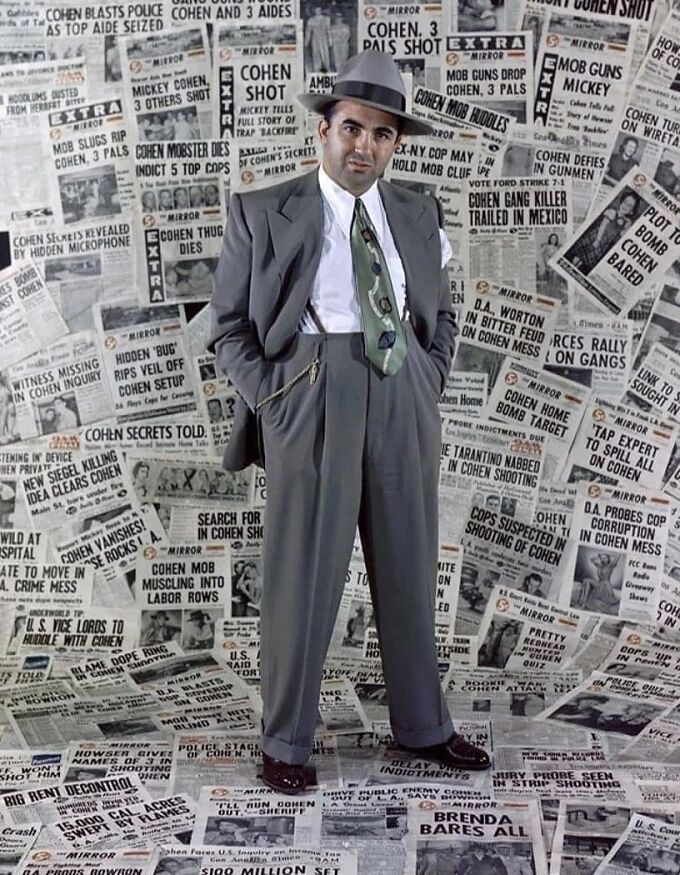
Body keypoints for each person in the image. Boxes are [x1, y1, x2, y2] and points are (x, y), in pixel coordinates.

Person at [208, 51, 490, 794]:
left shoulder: (417, 212)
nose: (365, 145)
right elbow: (227, 325)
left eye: (383, 134)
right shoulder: (262, 210)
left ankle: (424, 727)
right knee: (302, 573)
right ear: (324, 130)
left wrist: (427, 378)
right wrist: (276, 393)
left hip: (401, 392)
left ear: (395, 143)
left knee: (408, 566)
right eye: (353, 128)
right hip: (312, 391)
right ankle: (285, 740)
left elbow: (444, 310)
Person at [568, 191, 639, 276]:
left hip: (603, 245)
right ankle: (570, 267)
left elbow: (621, 236)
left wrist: (628, 226)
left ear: (631, 211)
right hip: (596, 238)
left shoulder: (626, 222)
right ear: (621, 201)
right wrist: (597, 240)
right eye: (625, 202)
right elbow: (603, 225)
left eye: (629, 206)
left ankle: (575, 272)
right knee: (581, 254)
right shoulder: (612, 212)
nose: (625, 206)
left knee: (587, 261)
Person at [305, 5, 332, 71]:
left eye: (319, 10)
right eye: (316, 10)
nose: (318, 11)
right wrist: (306, 42)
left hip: (324, 38)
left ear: (321, 10)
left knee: (325, 53)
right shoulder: (311, 20)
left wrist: (330, 41)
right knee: (316, 53)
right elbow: (308, 32)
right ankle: (317, 69)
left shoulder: (326, 19)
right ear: (314, 10)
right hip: (315, 38)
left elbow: (329, 31)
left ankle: (327, 68)